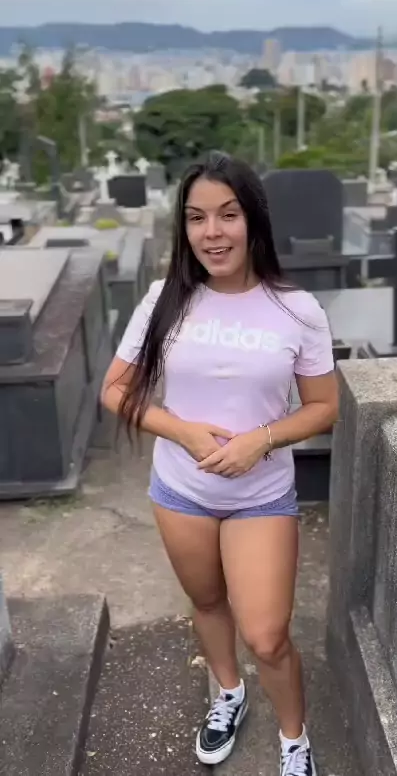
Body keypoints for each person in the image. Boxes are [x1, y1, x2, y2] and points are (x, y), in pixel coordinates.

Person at [101, 152, 338, 776]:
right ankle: (228, 694)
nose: (212, 232)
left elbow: (324, 407)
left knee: (267, 636)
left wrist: (261, 439)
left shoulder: (297, 309)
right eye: (197, 217)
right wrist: (180, 429)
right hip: (180, 492)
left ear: (253, 220)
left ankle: (295, 740)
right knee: (207, 602)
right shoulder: (164, 301)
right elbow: (116, 390)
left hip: (260, 496)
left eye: (228, 215)